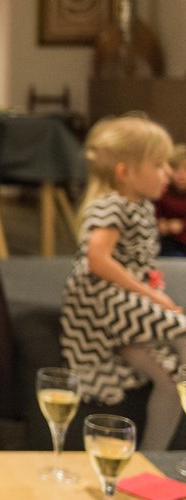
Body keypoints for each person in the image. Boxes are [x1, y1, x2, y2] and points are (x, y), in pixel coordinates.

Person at [60, 115, 186, 449]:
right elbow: (98, 260)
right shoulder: (112, 206)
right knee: (182, 331)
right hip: (104, 301)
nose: (168, 174)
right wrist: (150, 295)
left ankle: (152, 456)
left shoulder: (142, 205)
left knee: (168, 381)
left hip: (123, 300)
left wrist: (151, 286)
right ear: (124, 172)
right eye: (159, 165)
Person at [154, 142, 186, 258]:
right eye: (176, 169)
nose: (181, 175)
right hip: (169, 242)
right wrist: (160, 224)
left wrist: (182, 225)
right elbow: (154, 213)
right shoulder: (162, 191)